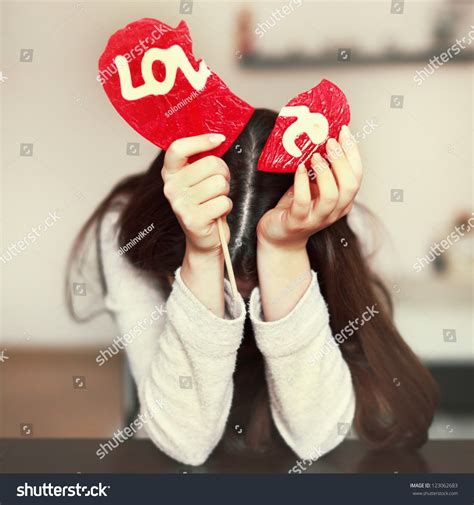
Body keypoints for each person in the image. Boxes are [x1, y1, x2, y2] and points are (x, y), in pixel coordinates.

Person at [68, 109, 438, 466]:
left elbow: (318, 435)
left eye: (252, 292)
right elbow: (186, 442)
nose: (242, 308)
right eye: (231, 291)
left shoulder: (325, 221)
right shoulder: (129, 232)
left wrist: (284, 250)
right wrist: (201, 259)